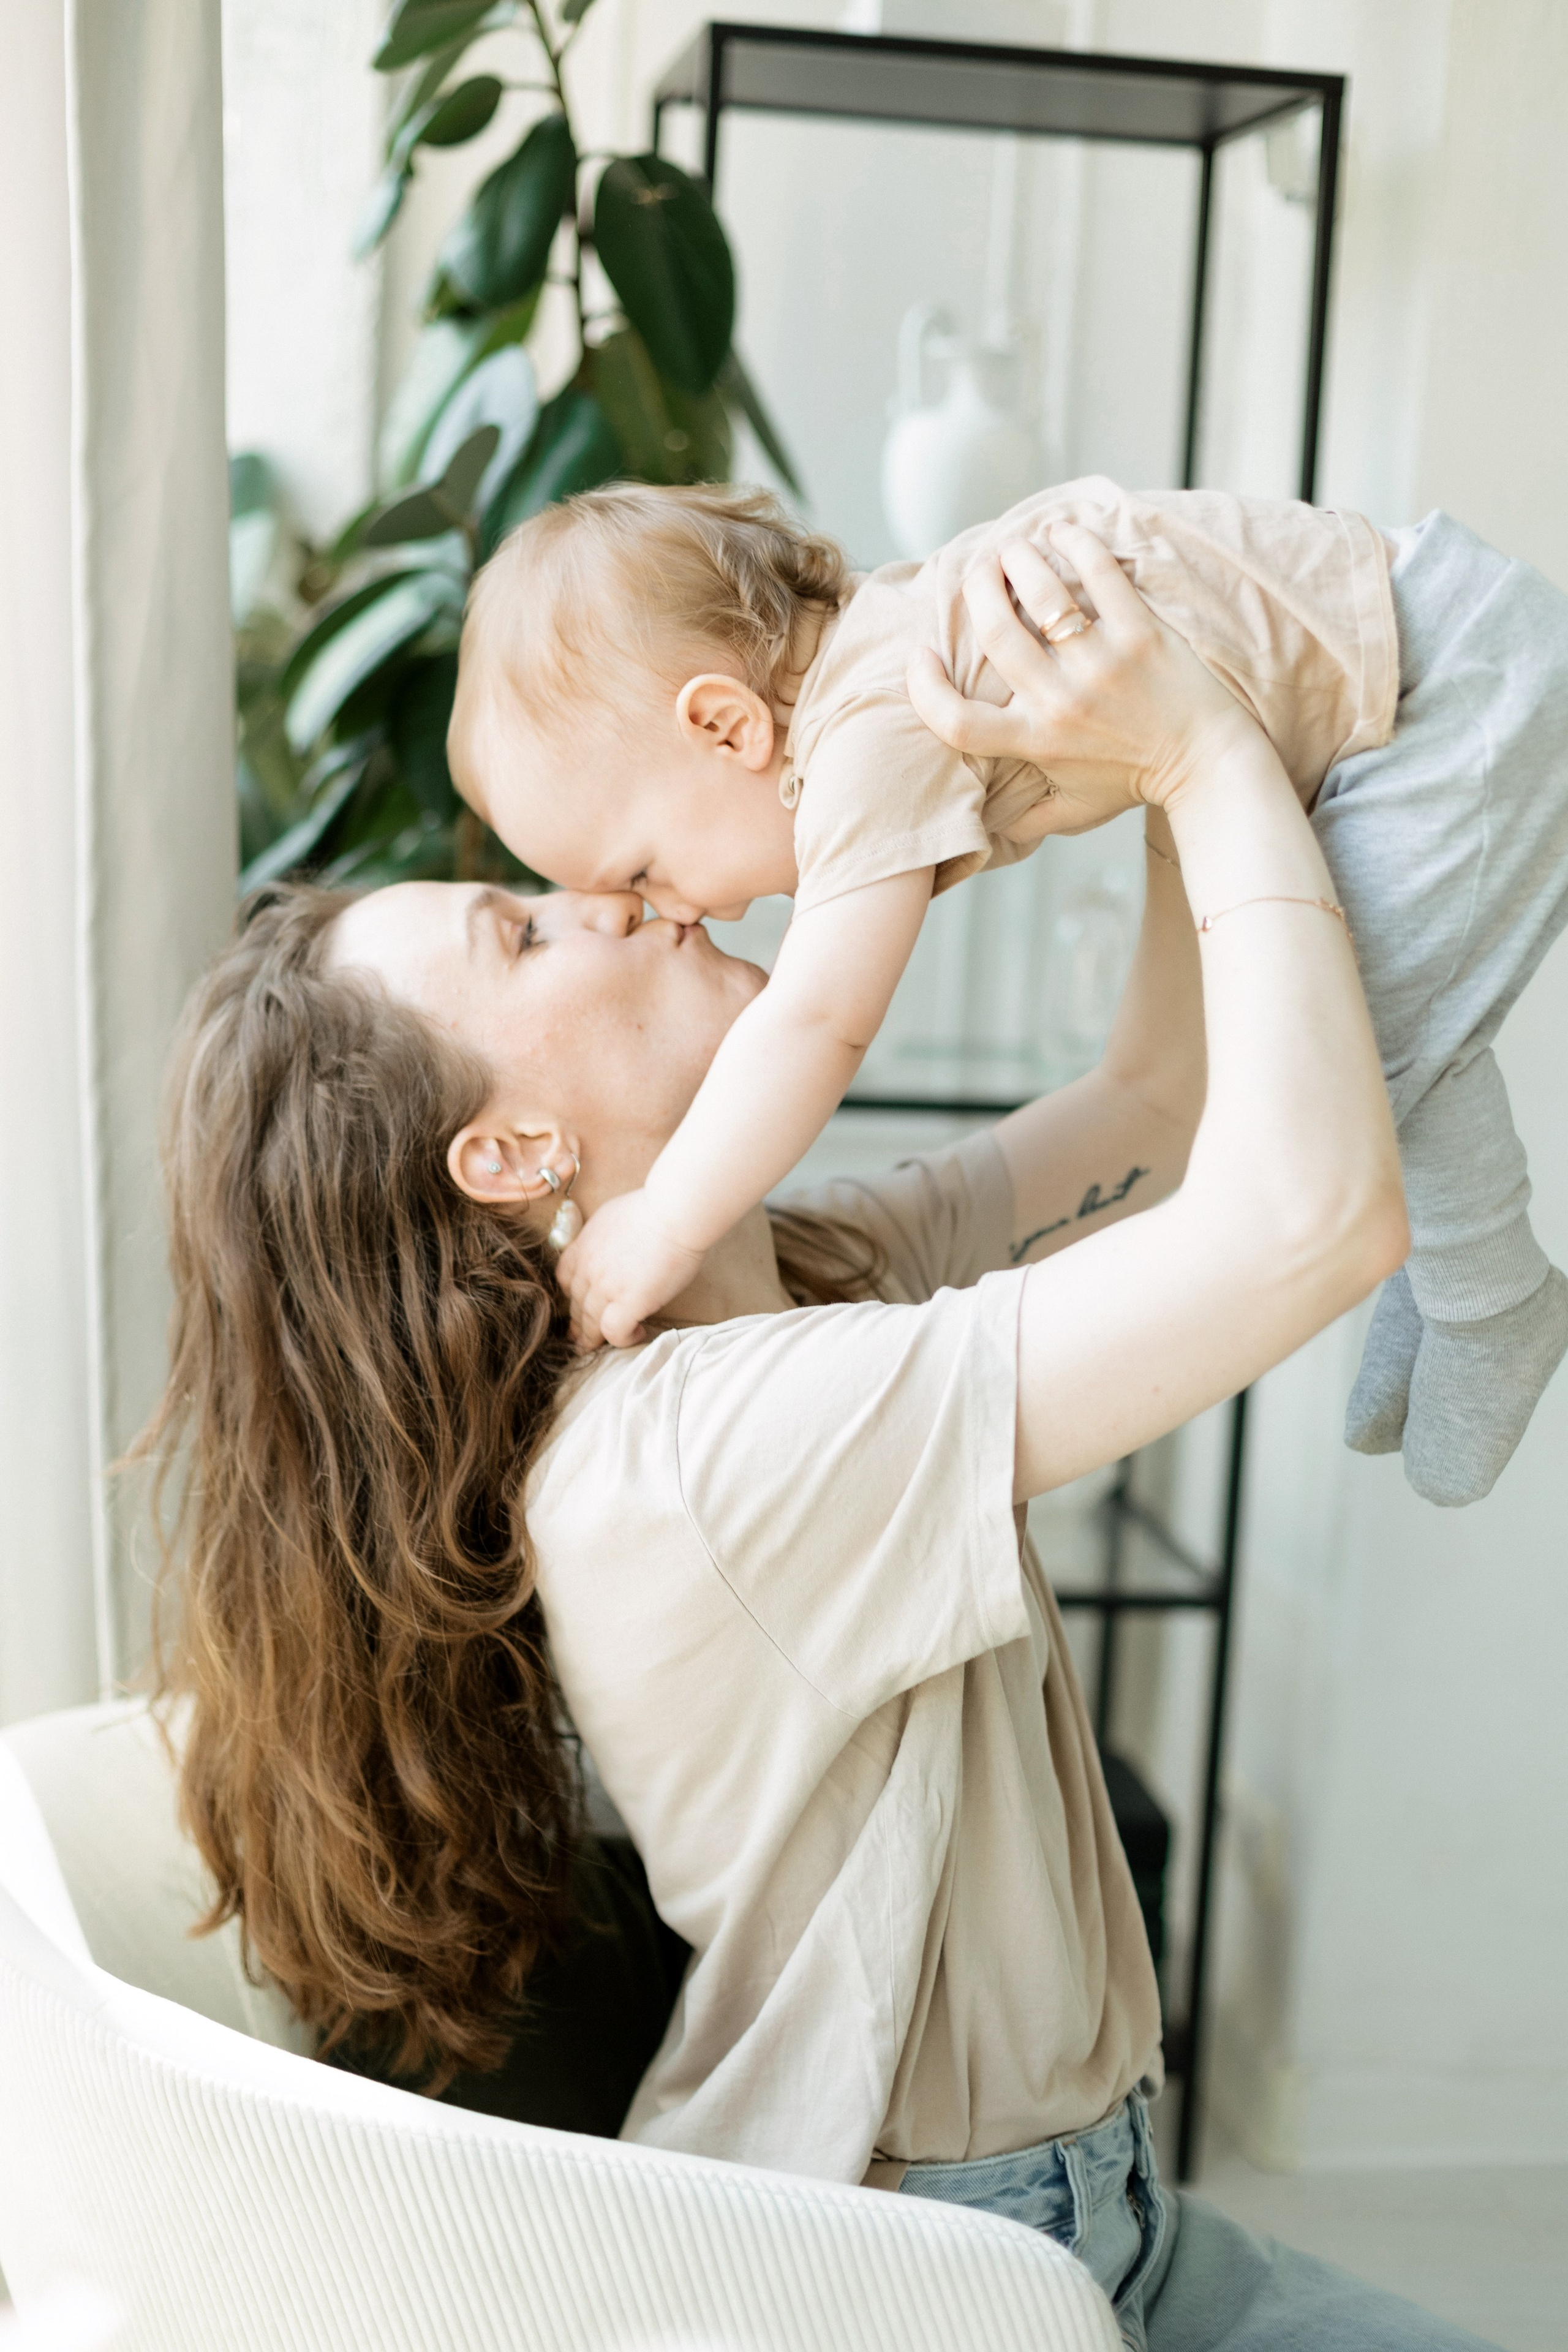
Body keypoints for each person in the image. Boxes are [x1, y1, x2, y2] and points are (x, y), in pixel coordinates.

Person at [140, 541, 1494, 2349]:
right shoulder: (694, 1455)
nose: (609, 898)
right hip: (939, 2280)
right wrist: (1200, 762)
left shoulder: (775, 1280)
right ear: (512, 1157)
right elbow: (1313, 1218)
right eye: (527, 928)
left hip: (1099, 2224)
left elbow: (1153, 1115)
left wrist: (1187, 665)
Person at [448, 478, 1568, 1507]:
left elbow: (819, 1018)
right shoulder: (878, 665)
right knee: (1346, 1019)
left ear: (725, 726)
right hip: (1409, 673)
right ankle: (1458, 1276)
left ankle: (1490, 1293)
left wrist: (666, 1217)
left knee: (1355, 1042)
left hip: (1439, 695)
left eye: (642, 870)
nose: (670, 910)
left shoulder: (867, 742)